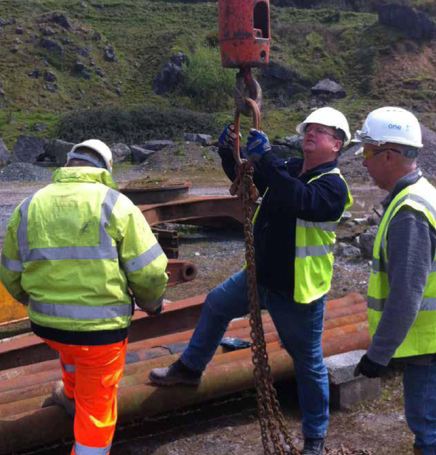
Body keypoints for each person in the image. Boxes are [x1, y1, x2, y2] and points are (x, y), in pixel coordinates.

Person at [149, 107, 354, 455]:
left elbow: (298, 199)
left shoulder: (333, 186)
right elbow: (249, 179)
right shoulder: (290, 167)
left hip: (297, 290)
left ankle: (314, 439)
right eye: (309, 128)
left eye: (320, 131)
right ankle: (190, 368)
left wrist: (268, 158)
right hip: (260, 275)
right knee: (216, 303)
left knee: (308, 363)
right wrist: (230, 151)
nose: (310, 133)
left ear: (337, 145)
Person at [0, 139, 168, 455]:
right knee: (97, 413)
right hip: (101, 335)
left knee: (72, 352)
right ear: (105, 170)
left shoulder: (29, 206)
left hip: (48, 328)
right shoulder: (116, 205)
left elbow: (10, 273)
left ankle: (71, 396)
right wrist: (151, 303)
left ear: (68, 164)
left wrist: (35, 303)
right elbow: (150, 272)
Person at [352, 107, 436, 455]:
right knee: (429, 423)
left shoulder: (410, 213)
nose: (363, 162)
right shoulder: (420, 193)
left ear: (389, 156)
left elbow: (405, 297)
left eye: (368, 153)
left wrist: (378, 355)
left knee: (429, 425)